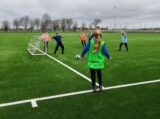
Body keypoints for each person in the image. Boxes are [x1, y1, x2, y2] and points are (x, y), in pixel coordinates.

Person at [81, 27, 110, 91]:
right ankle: (100, 86)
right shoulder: (102, 43)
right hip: (99, 62)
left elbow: (85, 49)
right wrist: (108, 57)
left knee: (92, 74)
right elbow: (105, 51)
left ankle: (93, 86)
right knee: (99, 74)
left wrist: (82, 55)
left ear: (93, 35)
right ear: (101, 35)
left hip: (91, 62)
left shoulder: (90, 42)